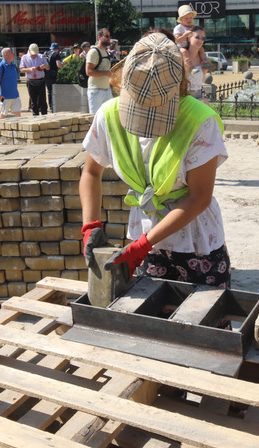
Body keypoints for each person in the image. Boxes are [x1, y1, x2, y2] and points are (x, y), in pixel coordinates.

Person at [80, 31, 230, 288]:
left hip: (196, 242)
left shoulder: (199, 121)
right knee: (152, 321)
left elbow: (199, 197)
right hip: (145, 237)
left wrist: (142, 245)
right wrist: (90, 225)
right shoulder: (108, 116)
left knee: (204, 320)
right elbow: (91, 172)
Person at [85, 28, 114, 114]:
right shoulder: (93, 52)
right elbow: (89, 71)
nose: (109, 38)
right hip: (96, 90)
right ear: (99, 37)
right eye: (106, 36)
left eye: (109, 36)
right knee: (94, 118)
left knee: (108, 117)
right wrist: (106, 73)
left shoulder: (106, 52)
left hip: (107, 89)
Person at [181, 26, 213, 100]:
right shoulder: (182, 56)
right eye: (197, 37)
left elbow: (201, 82)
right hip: (185, 96)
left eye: (203, 38)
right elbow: (177, 81)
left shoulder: (202, 57)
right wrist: (186, 69)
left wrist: (204, 71)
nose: (200, 40)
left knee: (205, 102)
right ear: (189, 38)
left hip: (198, 94)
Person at [20, 43, 50, 116]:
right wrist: (30, 69)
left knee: (43, 100)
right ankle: (35, 115)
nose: (34, 55)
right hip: (31, 80)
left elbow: (48, 67)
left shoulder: (41, 56)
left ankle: (44, 115)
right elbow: (21, 69)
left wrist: (45, 66)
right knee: (33, 100)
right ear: (29, 51)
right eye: (33, 53)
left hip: (41, 80)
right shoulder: (24, 57)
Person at [0, 47, 22, 118]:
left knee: (18, 114)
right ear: (6, 54)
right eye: (12, 52)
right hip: (4, 96)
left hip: (15, 95)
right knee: (3, 114)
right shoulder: (1, 66)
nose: (14, 54)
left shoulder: (14, 66)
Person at [44, 42, 65, 112]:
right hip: (53, 74)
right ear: (57, 49)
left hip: (45, 74)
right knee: (53, 92)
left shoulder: (45, 53)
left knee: (49, 91)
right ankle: (53, 107)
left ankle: (50, 106)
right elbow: (58, 65)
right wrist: (64, 65)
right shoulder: (56, 55)